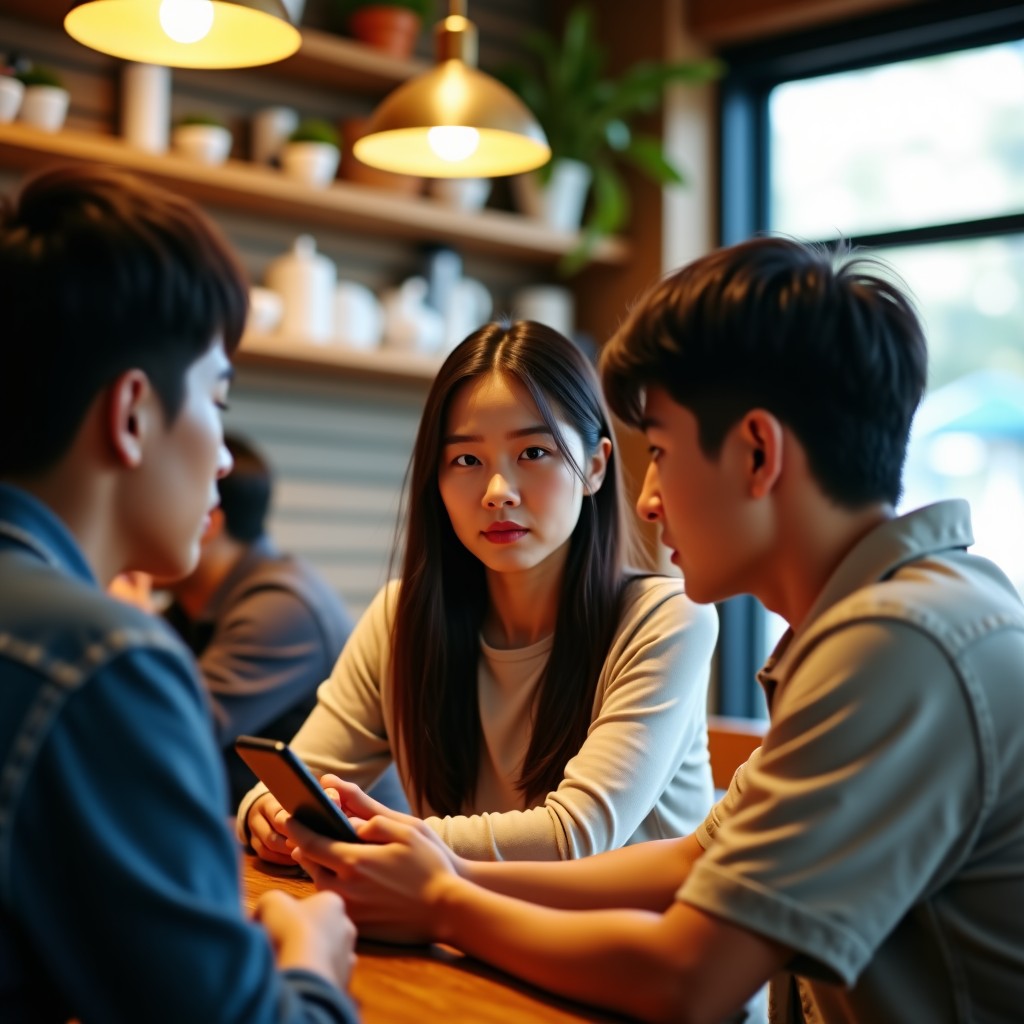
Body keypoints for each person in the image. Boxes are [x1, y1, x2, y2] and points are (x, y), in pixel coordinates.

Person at [283, 238, 1024, 1024]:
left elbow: (689, 980)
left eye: (662, 452)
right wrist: (439, 870)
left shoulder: (901, 644)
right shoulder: (879, 623)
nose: (647, 500)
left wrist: (441, 902)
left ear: (757, 453)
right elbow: (697, 860)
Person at [0, 164, 358, 1023]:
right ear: (131, 414)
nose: (225, 457)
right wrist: (314, 958)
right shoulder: (102, 657)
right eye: (215, 395)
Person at [241, 320, 718, 863]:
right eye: (466, 460)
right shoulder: (401, 618)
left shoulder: (667, 618)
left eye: (534, 452)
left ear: (594, 465)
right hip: (461, 934)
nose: (498, 492)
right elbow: (296, 777)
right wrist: (269, 814)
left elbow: (574, 836)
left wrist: (382, 838)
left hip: (621, 939)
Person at [162, 432, 354, 809]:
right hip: (252, 831)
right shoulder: (188, 604)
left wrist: (125, 622)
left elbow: (168, 733)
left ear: (208, 520)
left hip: (322, 851)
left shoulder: (281, 606)